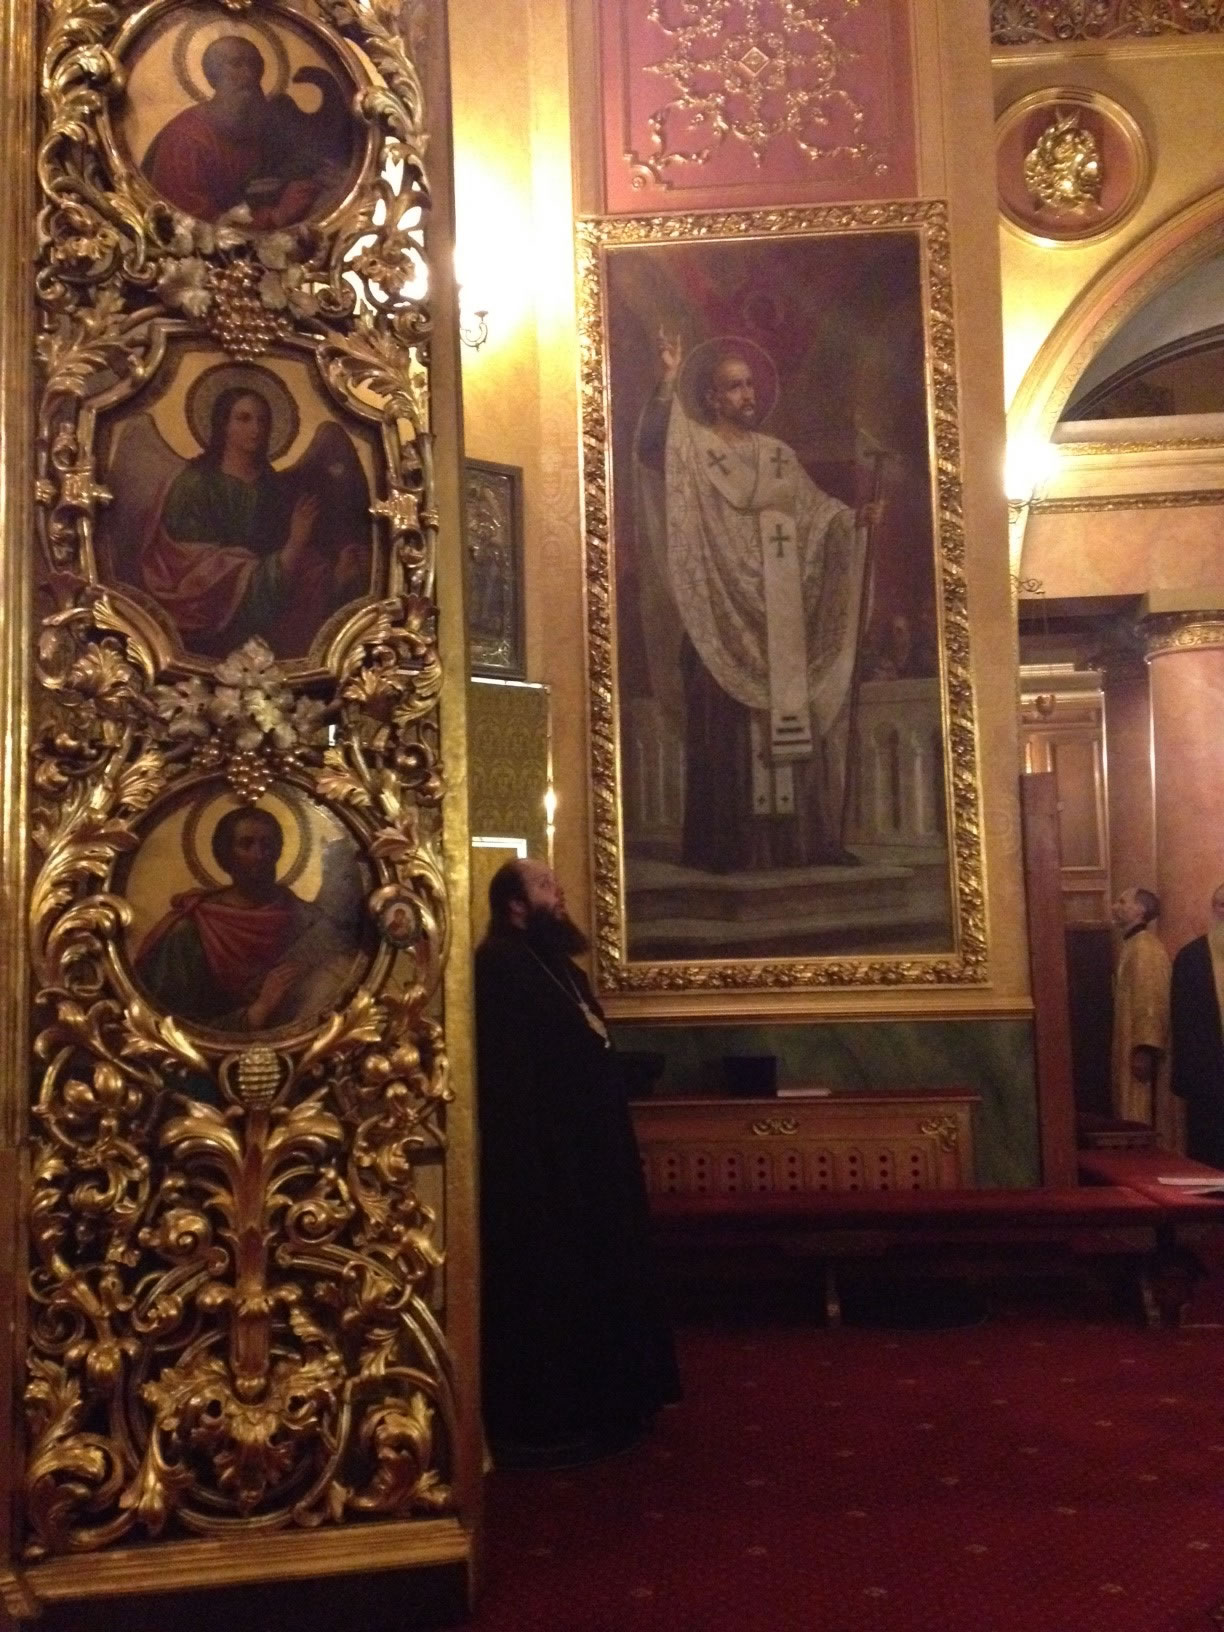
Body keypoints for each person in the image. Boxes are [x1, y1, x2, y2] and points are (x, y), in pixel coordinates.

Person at [635, 333, 876, 871]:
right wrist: (668, 380)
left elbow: (816, 514)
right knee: (727, 736)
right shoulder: (696, 449)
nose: (746, 395)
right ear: (711, 397)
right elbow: (652, 450)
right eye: (733, 387)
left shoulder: (777, 457)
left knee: (791, 723)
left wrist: (853, 523)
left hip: (780, 614)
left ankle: (802, 845)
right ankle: (732, 848)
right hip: (719, 615)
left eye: (749, 385)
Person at [474, 859, 680, 1465]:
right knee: (558, 1283)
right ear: (514, 905)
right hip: (547, 1159)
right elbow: (512, 1074)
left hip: (593, 1155)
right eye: (544, 886)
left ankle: (620, 1400)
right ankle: (561, 1419)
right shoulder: (498, 966)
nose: (558, 892)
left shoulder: (561, 966)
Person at [138, 387, 367, 659]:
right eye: (244, 419)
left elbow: (297, 573)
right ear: (223, 425)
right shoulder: (193, 485)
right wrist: (293, 547)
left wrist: (335, 576)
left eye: (263, 420)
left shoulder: (278, 489)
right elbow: (190, 573)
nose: (256, 429)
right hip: (206, 626)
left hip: (270, 634)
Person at [135, 806, 354, 1030]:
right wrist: (258, 1010)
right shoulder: (189, 931)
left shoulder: (308, 921)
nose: (259, 855)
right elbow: (171, 1027)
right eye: (246, 844)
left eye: (267, 844)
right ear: (225, 854)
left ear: (278, 851)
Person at [141, 36, 350, 227]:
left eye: (255, 65)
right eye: (236, 65)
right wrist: (277, 216)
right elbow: (192, 227)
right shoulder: (186, 138)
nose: (249, 75)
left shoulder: (267, 120)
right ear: (213, 74)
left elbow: (305, 165)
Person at [1110, 885, 1180, 1151]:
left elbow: (1152, 1000)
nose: (1115, 907)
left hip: (1140, 1049)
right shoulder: (1132, 945)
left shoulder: (1145, 949)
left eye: (1122, 902)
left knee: (1140, 1111)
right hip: (1130, 1041)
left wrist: (1144, 1048)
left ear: (1140, 909)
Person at [1171, 882, 1224, 1167]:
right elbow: (1182, 1021)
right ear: (1214, 909)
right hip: (1208, 1073)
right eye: (1222, 904)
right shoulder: (1191, 957)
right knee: (1208, 1152)